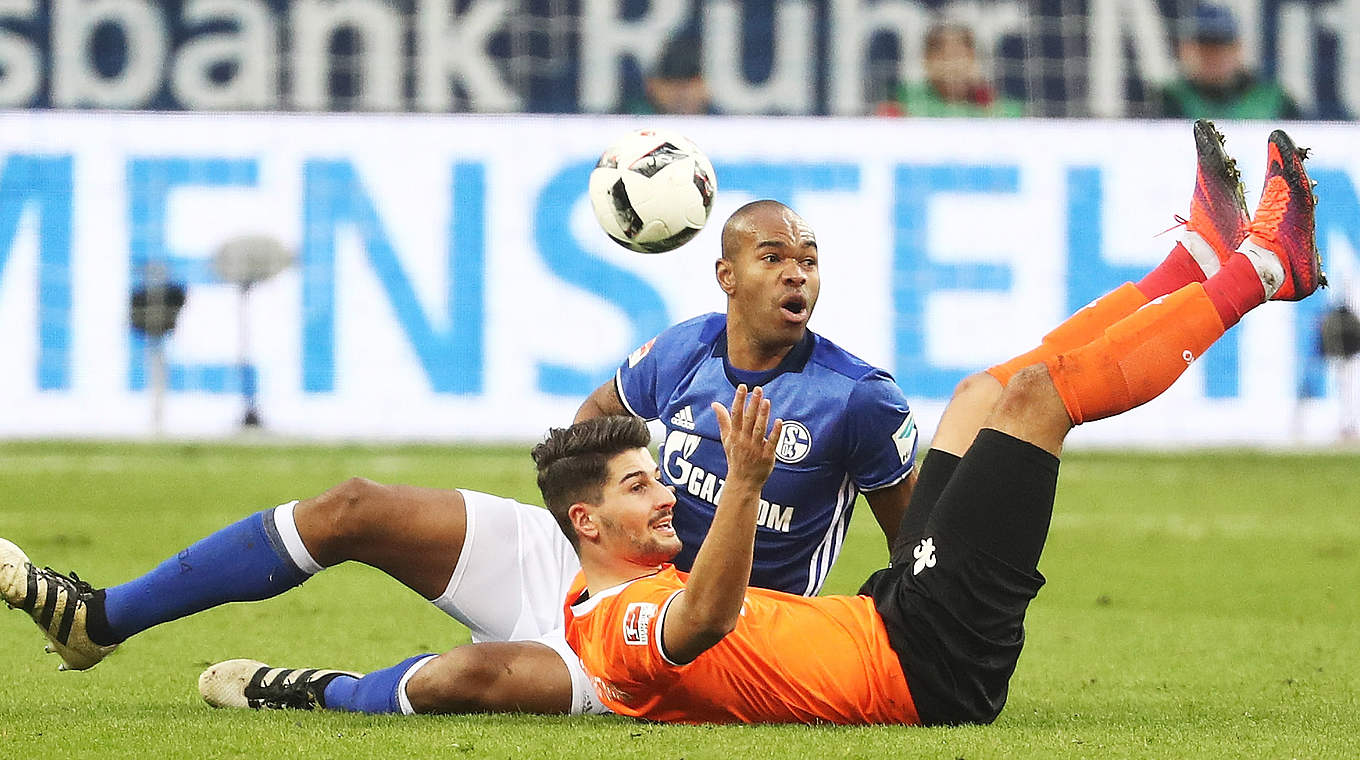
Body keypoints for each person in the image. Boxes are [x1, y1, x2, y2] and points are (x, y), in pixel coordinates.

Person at [1, 201, 919, 717]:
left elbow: (920, 545)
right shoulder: (682, 349)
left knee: (466, 678)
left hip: (689, 641)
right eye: (774, 257)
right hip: (592, 563)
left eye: (808, 259)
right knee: (356, 504)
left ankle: (321, 693)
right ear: (728, 277)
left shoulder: (857, 397)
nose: (798, 273)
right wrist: (594, 505)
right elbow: (595, 420)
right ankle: (100, 618)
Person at [543, 125, 1321, 725]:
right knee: (1036, 402)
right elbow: (699, 618)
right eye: (640, 484)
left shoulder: (611, 594)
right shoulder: (631, 624)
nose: (667, 493)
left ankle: (1192, 264)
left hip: (895, 612)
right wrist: (745, 480)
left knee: (983, 393)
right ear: (589, 525)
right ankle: (1260, 271)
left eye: (808, 259)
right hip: (933, 663)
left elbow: (907, 536)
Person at [1157, 3, 1303, 120]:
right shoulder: (1168, 101)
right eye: (1204, 48)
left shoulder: (1276, 102)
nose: (1212, 56)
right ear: (1186, 50)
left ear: (1237, 48)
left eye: (1221, 47)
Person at [876, 22, 1024, 118]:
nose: (955, 66)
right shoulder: (903, 104)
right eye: (946, 57)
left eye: (962, 56)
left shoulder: (1002, 109)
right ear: (927, 61)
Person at [625, 33, 718, 116]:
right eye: (671, 82)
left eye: (690, 82)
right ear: (651, 85)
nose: (681, 94)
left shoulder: (722, 125)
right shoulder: (631, 122)